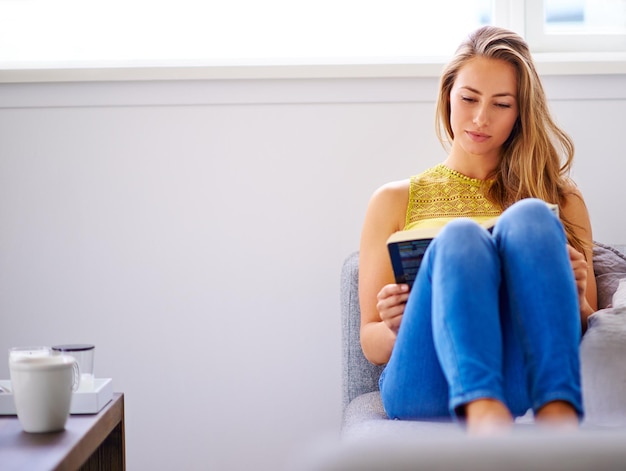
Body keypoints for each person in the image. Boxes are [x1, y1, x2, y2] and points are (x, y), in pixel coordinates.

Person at [358, 26, 596, 435]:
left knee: (531, 217)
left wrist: (571, 295)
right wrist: (399, 322)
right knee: (460, 237)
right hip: (423, 379)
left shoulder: (563, 200)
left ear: (520, 113)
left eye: (501, 104)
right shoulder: (393, 201)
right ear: (448, 94)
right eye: (468, 98)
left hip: (521, 378)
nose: (481, 118)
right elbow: (370, 342)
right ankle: (482, 408)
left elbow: (587, 324)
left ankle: (557, 410)